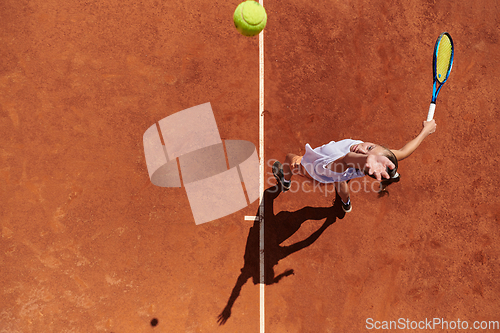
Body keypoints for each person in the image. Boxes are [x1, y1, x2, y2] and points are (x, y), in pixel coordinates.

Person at [272, 120, 437, 213]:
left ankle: (285, 181)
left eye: (365, 157)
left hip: (315, 171)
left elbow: (347, 159)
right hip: (342, 175)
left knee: (290, 158)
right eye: (370, 148)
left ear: (365, 166)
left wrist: (363, 160)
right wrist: (425, 132)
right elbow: (404, 151)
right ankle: (346, 204)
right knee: (341, 183)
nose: (362, 150)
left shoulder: (340, 162)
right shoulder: (370, 163)